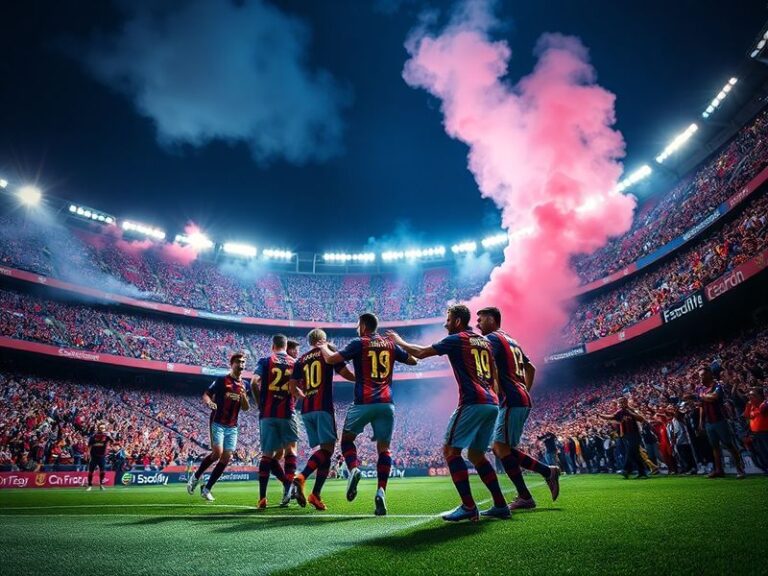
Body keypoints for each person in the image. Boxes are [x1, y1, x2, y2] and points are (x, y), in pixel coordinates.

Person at [388, 304, 509, 522]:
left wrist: (399, 342)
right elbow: (496, 373)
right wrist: (494, 397)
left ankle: (469, 506)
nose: (445, 324)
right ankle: (501, 504)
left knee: (451, 451)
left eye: (448, 319)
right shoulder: (485, 341)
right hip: (492, 402)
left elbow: (422, 352)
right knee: (476, 455)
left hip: (473, 401)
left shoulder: (457, 339)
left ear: (457, 321)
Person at [319, 312, 416, 516]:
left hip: (363, 402)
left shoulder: (358, 342)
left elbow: (332, 360)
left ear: (363, 325)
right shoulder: (390, 345)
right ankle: (381, 491)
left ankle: (353, 469)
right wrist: (399, 343)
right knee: (384, 449)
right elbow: (413, 361)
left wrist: (323, 347)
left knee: (346, 441)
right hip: (387, 403)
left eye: (357, 325)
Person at [475, 306, 560, 511]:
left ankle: (527, 493)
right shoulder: (511, 340)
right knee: (504, 449)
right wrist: (525, 389)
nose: (477, 324)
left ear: (492, 319)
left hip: (511, 399)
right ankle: (546, 473)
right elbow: (531, 368)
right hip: (519, 397)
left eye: (480, 320)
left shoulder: (493, 339)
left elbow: (491, 368)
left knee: (499, 447)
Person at [288, 329, 355, 510]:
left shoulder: (301, 359)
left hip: (307, 410)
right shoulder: (327, 349)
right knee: (328, 449)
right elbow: (342, 370)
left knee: (325, 452)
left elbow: (292, 387)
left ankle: (315, 495)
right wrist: (359, 380)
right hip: (322, 407)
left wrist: (305, 396)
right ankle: (302, 477)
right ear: (323, 339)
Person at [187, 352, 250, 501]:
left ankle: (207, 488)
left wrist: (243, 397)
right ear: (232, 364)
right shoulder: (222, 380)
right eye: (238, 362)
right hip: (217, 421)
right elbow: (206, 394)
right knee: (217, 453)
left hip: (232, 426)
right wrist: (209, 402)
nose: (241, 365)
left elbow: (246, 408)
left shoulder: (245, 385)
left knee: (226, 457)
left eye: (243, 362)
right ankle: (195, 478)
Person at [252, 335, 299, 508]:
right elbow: (299, 388)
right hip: (287, 412)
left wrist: (260, 404)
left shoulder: (265, 361)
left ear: (273, 346)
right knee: (290, 450)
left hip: (268, 413)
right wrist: (294, 402)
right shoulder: (295, 363)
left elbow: (254, 382)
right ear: (286, 347)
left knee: (267, 454)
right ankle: (287, 487)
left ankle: (262, 498)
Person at [698, 366, 745, 479]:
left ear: (709, 374)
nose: (701, 378)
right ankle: (719, 470)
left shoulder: (718, 385)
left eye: (703, 375)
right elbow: (701, 405)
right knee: (714, 447)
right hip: (708, 422)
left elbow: (715, 397)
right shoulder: (700, 388)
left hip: (720, 420)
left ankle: (740, 469)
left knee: (729, 444)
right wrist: (700, 421)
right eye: (700, 376)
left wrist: (704, 396)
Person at [597, 398, 648, 479]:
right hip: (626, 435)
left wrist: (631, 413)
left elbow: (642, 419)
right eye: (619, 403)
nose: (620, 404)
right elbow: (612, 416)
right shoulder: (620, 412)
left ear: (626, 402)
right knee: (635, 454)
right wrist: (601, 415)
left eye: (622, 402)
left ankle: (625, 469)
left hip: (635, 434)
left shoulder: (632, 410)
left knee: (630, 451)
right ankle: (642, 472)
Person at [743, 387, 768, 472]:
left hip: (765, 433)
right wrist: (748, 405)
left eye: (753, 395)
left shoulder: (764, 404)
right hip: (755, 433)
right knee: (761, 453)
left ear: (760, 396)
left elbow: (762, 410)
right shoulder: (751, 405)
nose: (750, 397)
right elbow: (746, 416)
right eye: (749, 395)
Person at [86, 422, 113, 491]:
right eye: (101, 427)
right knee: (91, 471)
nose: (102, 429)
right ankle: (89, 485)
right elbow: (89, 446)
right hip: (94, 456)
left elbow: (113, 442)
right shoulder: (93, 436)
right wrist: (88, 454)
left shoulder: (106, 436)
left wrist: (110, 436)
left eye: (103, 428)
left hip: (102, 457)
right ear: (98, 428)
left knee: (102, 471)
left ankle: (101, 485)